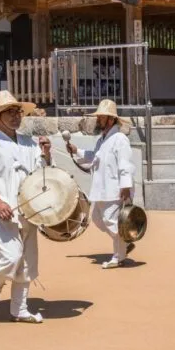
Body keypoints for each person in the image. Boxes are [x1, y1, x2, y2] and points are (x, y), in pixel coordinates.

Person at [0, 91, 48, 323]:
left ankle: (20, 308)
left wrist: (45, 154)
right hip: (4, 210)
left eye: (17, 112)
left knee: (26, 261)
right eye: (9, 112)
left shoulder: (28, 142)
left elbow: (40, 172)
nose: (15, 117)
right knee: (8, 257)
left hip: (28, 209)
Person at [66, 99, 135, 270]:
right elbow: (93, 156)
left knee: (111, 221)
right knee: (98, 219)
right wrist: (76, 151)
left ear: (111, 119)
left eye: (101, 117)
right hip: (101, 189)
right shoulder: (103, 140)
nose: (98, 120)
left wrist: (125, 187)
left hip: (114, 189)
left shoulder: (120, 139)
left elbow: (125, 164)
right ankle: (124, 244)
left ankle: (118, 256)